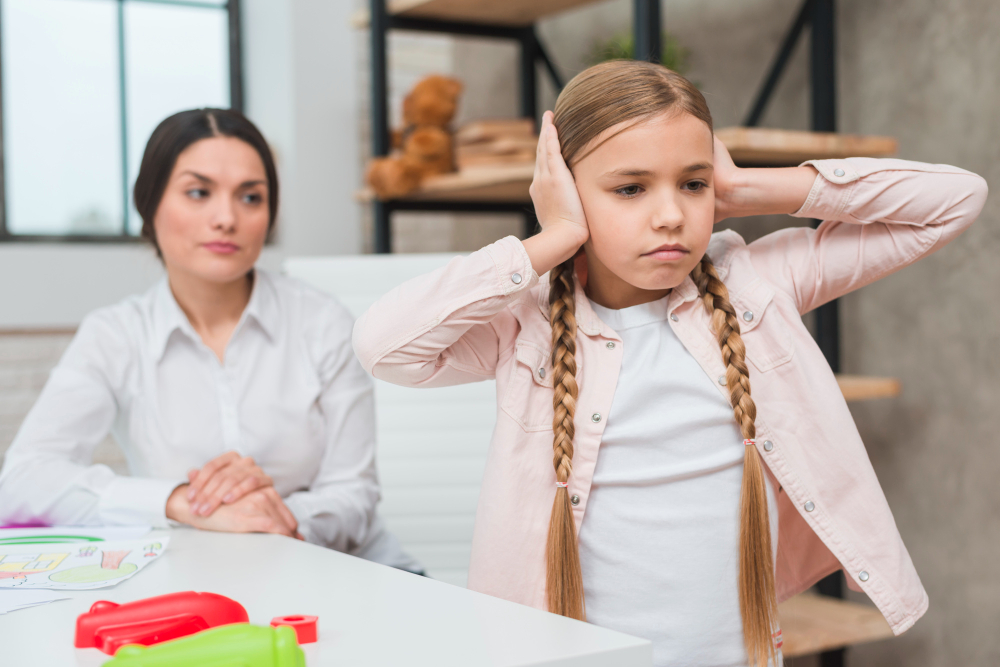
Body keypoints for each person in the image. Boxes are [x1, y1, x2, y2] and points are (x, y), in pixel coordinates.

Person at [351, 60, 988, 666]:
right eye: (630, 188)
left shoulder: (755, 284)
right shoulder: (525, 323)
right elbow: (384, 344)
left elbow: (955, 199)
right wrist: (550, 240)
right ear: (567, 191)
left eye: (692, 183)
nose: (671, 215)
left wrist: (747, 186)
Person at [0, 108, 420, 573]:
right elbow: (22, 480)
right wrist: (179, 501)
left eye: (251, 197)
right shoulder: (115, 336)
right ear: (149, 203)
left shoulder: (324, 323)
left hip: (354, 576)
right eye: (198, 192)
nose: (226, 218)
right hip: (207, 588)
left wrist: (267, 518)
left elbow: (354, 494)